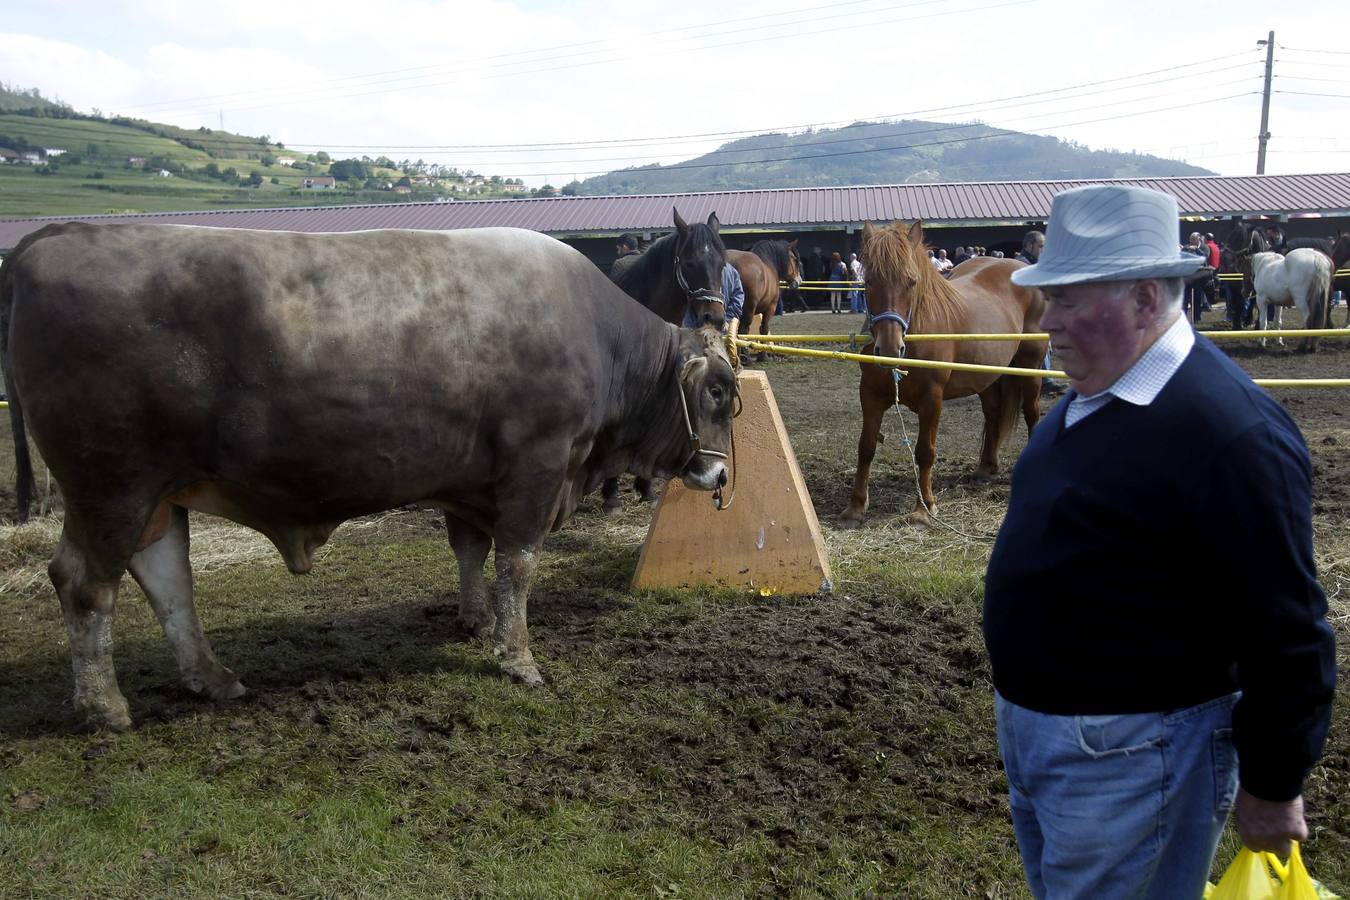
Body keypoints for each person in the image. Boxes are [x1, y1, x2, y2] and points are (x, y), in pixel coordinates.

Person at [984, 184, 1337, 900]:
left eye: (1069, 300)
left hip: (1135, 759)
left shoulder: (1232, 433)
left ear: (1146, 299)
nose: (1046, 320)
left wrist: (1273, 784)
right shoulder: (1096, 393)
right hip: (1053, 742)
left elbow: (1289, 630)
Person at [1017, 230, 1062, 396]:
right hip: (1026, 315)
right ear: (1029, 246)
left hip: (1035, 311)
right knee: (1040, 341)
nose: (1044, 251)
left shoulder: (1032, 263)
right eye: (1040, 247)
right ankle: (1045, 380)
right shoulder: (1021, 264)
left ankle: (1045, 378)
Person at [683, 262, 744, 365]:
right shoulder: (731, 271)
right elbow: (738, 297)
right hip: (720, 327)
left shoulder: (697, 268)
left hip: (695, 328)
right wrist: (728, 318)